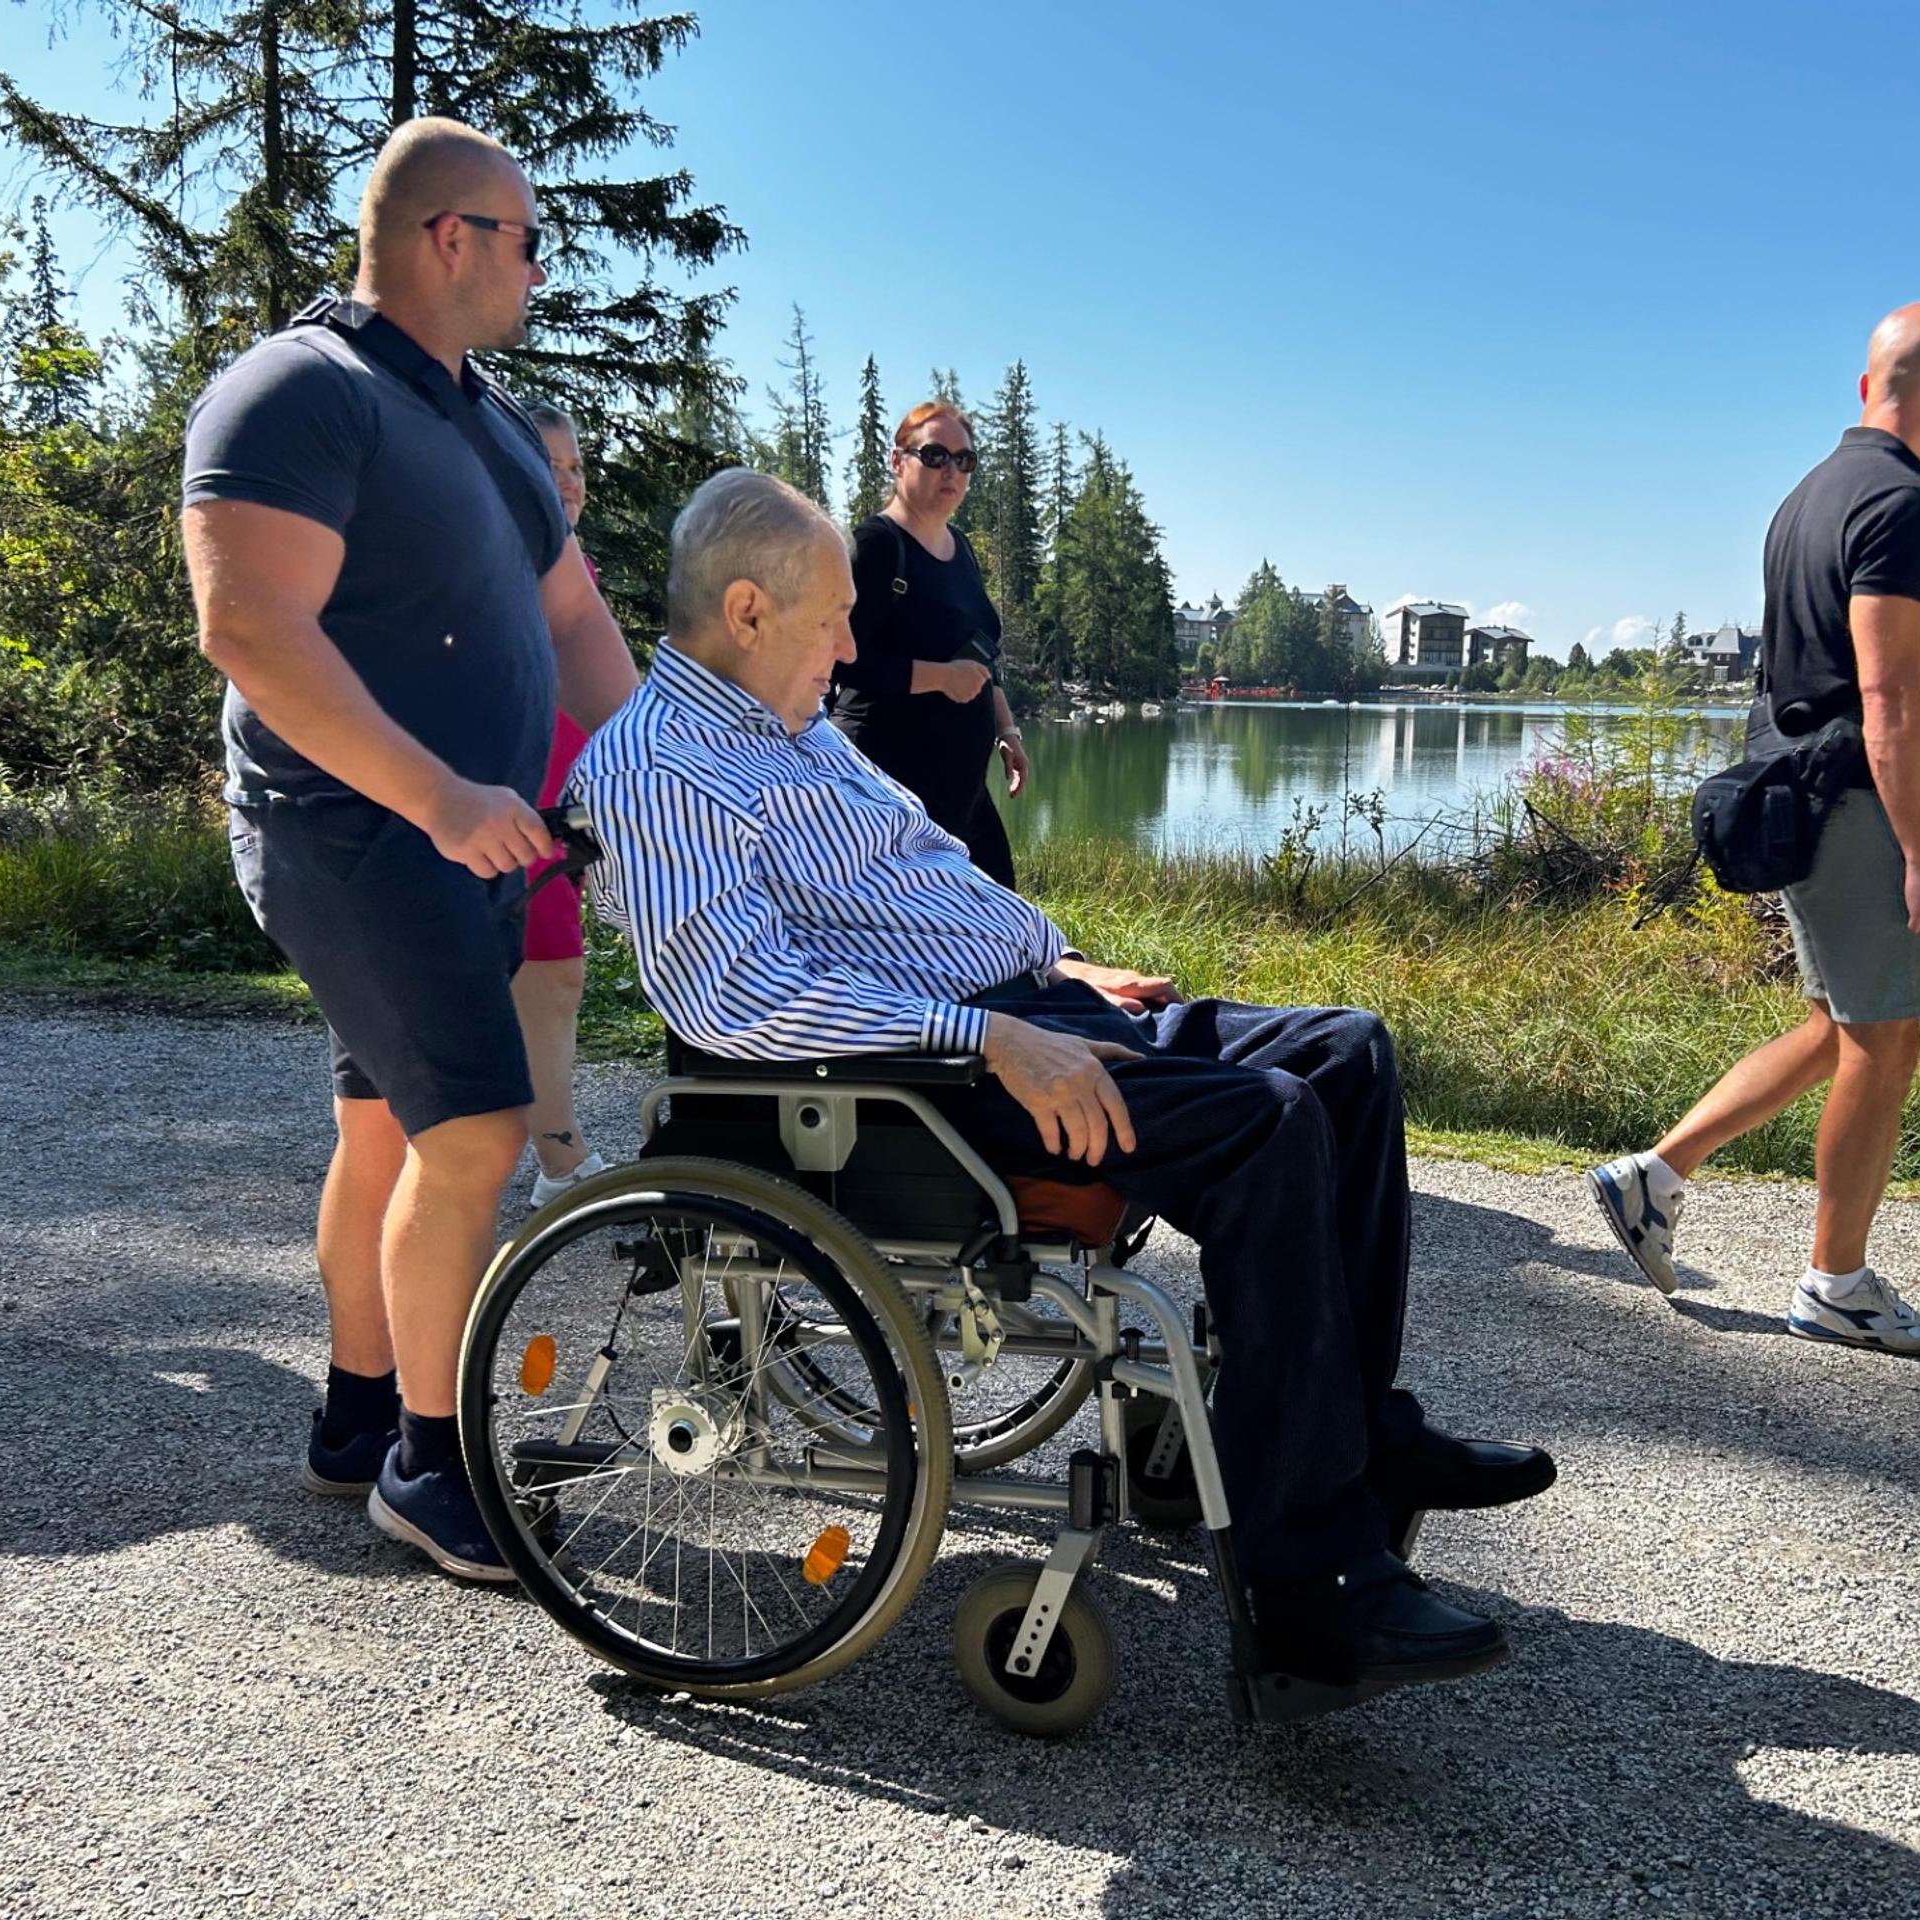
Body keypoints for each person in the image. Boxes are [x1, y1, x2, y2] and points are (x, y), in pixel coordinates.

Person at [569, 467, 1556, 1706]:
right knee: (1269, 1127)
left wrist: (1053, 957)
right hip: (909, 1079)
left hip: (1018, 1010)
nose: (854, 641)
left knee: (1345, 1052)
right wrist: (984, 1036)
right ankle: (1308, 1584)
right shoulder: (659, 769)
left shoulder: (792, 729)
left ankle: (1356, 1437)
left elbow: (931, 870)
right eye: (834, 617)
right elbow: (738, 1003)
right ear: (752, 610)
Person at [180, 117, 639, 1580]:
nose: (541, 267)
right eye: (527, 238)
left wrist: (680, 776)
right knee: (477, 1136)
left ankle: (361, 1413)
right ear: (451, 237)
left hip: (470, 845)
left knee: (384, 1128)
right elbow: (248, 625)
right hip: (356, 831)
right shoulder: (294, 395)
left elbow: (572, 620)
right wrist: (441, 795)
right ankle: (436, 1473)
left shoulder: (489, 424)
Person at [1591, 302, 1920, 1356]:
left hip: (1799, 797)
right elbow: (1890, 696)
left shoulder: (1808, 496)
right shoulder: (1899, 505)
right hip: (1853, 804)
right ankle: (1836, 1282)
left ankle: (1652, 1176)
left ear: (1864, 388)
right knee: (1884, 1039)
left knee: (1834, 1028)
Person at [829, 400, 1028, 888]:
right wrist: (939, 678)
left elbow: (982, 650)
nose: (951, 471)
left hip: (962, 789)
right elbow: (840, 660)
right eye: (935, 455)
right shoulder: (874, 547)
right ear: (899, 462)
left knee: (1002, 918)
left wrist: (1007, 732)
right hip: (888, 787)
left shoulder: (961, 549)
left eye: (965, 460)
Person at [512, 399, 611, 1209]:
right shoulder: (505, 560)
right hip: (524, 802)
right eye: (551, 466)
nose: (569, 482)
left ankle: (551, 1152)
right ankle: (558, 1163)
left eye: (577, 466)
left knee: (554, 976)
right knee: (553, 975)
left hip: (571, 801)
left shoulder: (570, 561)